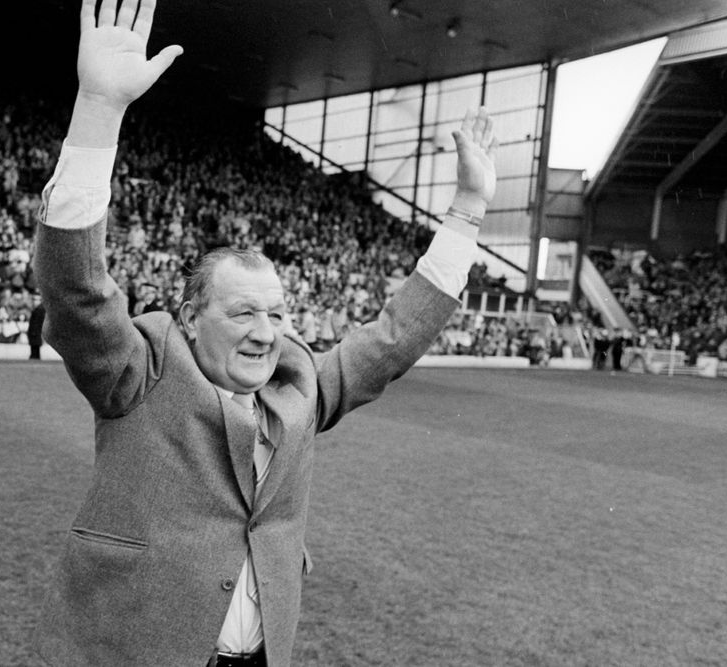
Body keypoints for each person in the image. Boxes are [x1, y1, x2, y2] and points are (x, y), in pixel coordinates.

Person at [29, 1, 498, 665]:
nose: (266, 332)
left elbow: (393, 340)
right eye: (244, 312)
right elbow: (75, 290)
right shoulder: (140, 369)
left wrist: (469, 209)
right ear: (191, 317)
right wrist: (100, 108)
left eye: (277, 314)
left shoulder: (299, 385)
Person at [27, 291, 46, 360]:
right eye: (34, 299)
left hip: (35, 333)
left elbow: (37, 323)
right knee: (35, 351)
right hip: (34, 334)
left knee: (35, 353)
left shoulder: (40, 310)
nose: (35, 302)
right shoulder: (38, 309)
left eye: (37, 300)